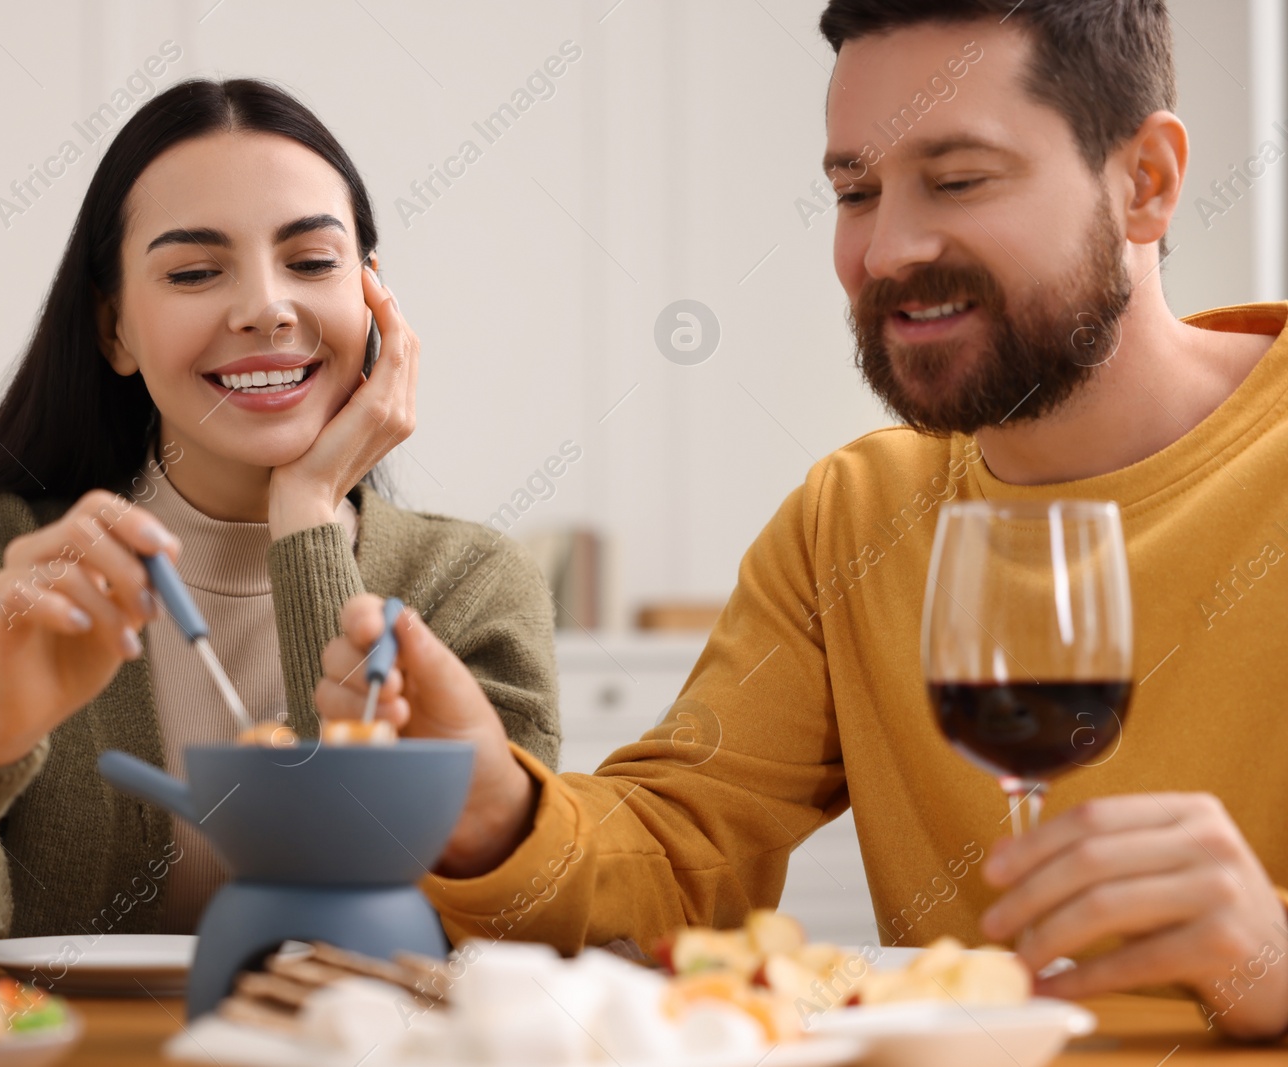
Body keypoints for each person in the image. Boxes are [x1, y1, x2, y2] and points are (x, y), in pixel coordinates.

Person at [318, 0, 1288, 1041]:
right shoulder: (851, 517)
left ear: (1145, 180)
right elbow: (683, 852)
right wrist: (491, 804)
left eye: (958, 179)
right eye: (855, 191)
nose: (889, 249)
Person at [0, 78, 561, 964]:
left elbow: (508, 927)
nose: (266, 307)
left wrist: (309, 522)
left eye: (313, 262)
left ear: (373, 303)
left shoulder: (471, 583)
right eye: (196, 272)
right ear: (114, 328)